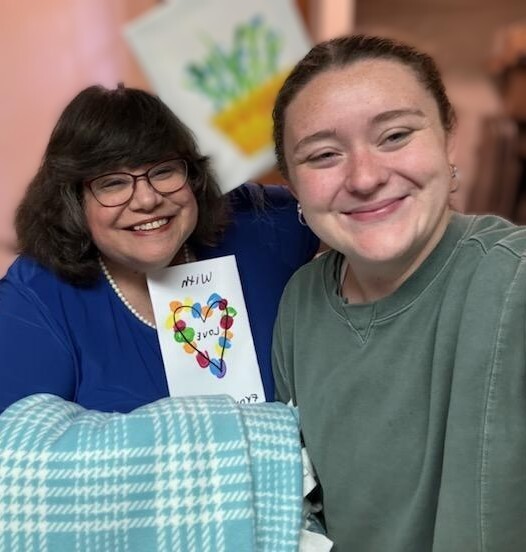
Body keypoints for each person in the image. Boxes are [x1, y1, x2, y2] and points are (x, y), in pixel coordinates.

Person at [271, 34, 526, 551]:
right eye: (323, 155)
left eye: (394, 136)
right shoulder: (300, 304)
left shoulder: (512, 282)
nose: (365, 177)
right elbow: (300, 504)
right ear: (293, 185)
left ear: (448, 139)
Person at [0, 84, 319, 413]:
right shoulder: (36, 299)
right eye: (113, 183)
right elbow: (15, 449)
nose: (148, 199)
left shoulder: (255, 226)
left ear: (193, 176)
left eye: (163, 171)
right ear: (72, 200)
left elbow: (342, 207)